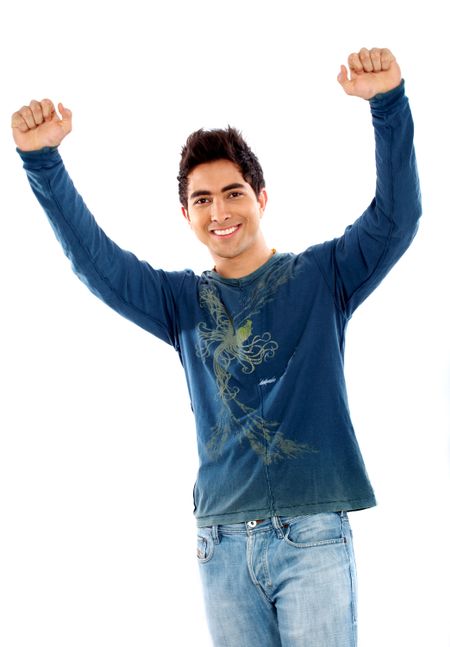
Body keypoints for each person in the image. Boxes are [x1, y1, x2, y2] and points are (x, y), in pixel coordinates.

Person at [11, 47, 421, 646]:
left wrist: (388, 104)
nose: (219, 211)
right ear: (186, 215)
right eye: (202, 200)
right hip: (221, 546)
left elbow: (397, 218)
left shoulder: (322, 276)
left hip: (311, 538)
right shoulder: (179, 302)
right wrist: (41, 162)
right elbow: (97, 264)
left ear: (260, 197)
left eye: (232, 193)